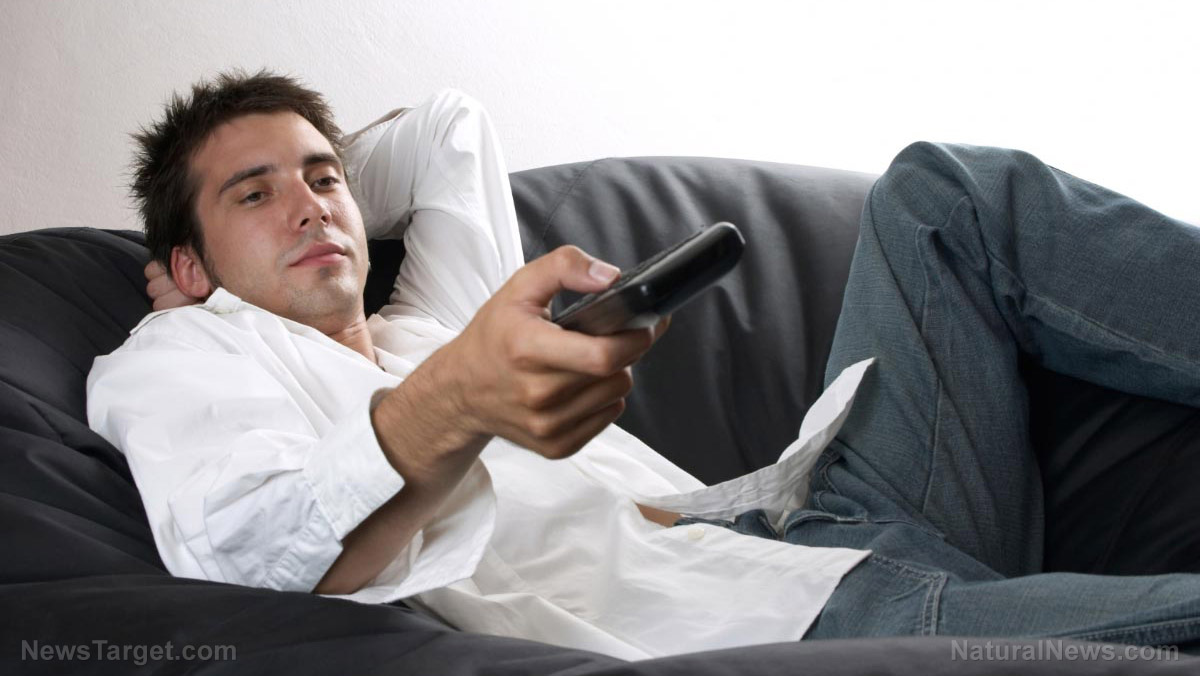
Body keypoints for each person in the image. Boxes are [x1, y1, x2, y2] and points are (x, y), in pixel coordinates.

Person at [88, 68, 1200, 660]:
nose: (312, 206)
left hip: (808, 521)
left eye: (325, 179)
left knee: (938, 192)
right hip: (778, 626)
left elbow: (447, 129)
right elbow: (247, 551)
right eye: (255, 193)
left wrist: (304, 178)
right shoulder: (183, 351)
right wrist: (457, 399)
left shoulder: (431, 320)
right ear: (184, 263)